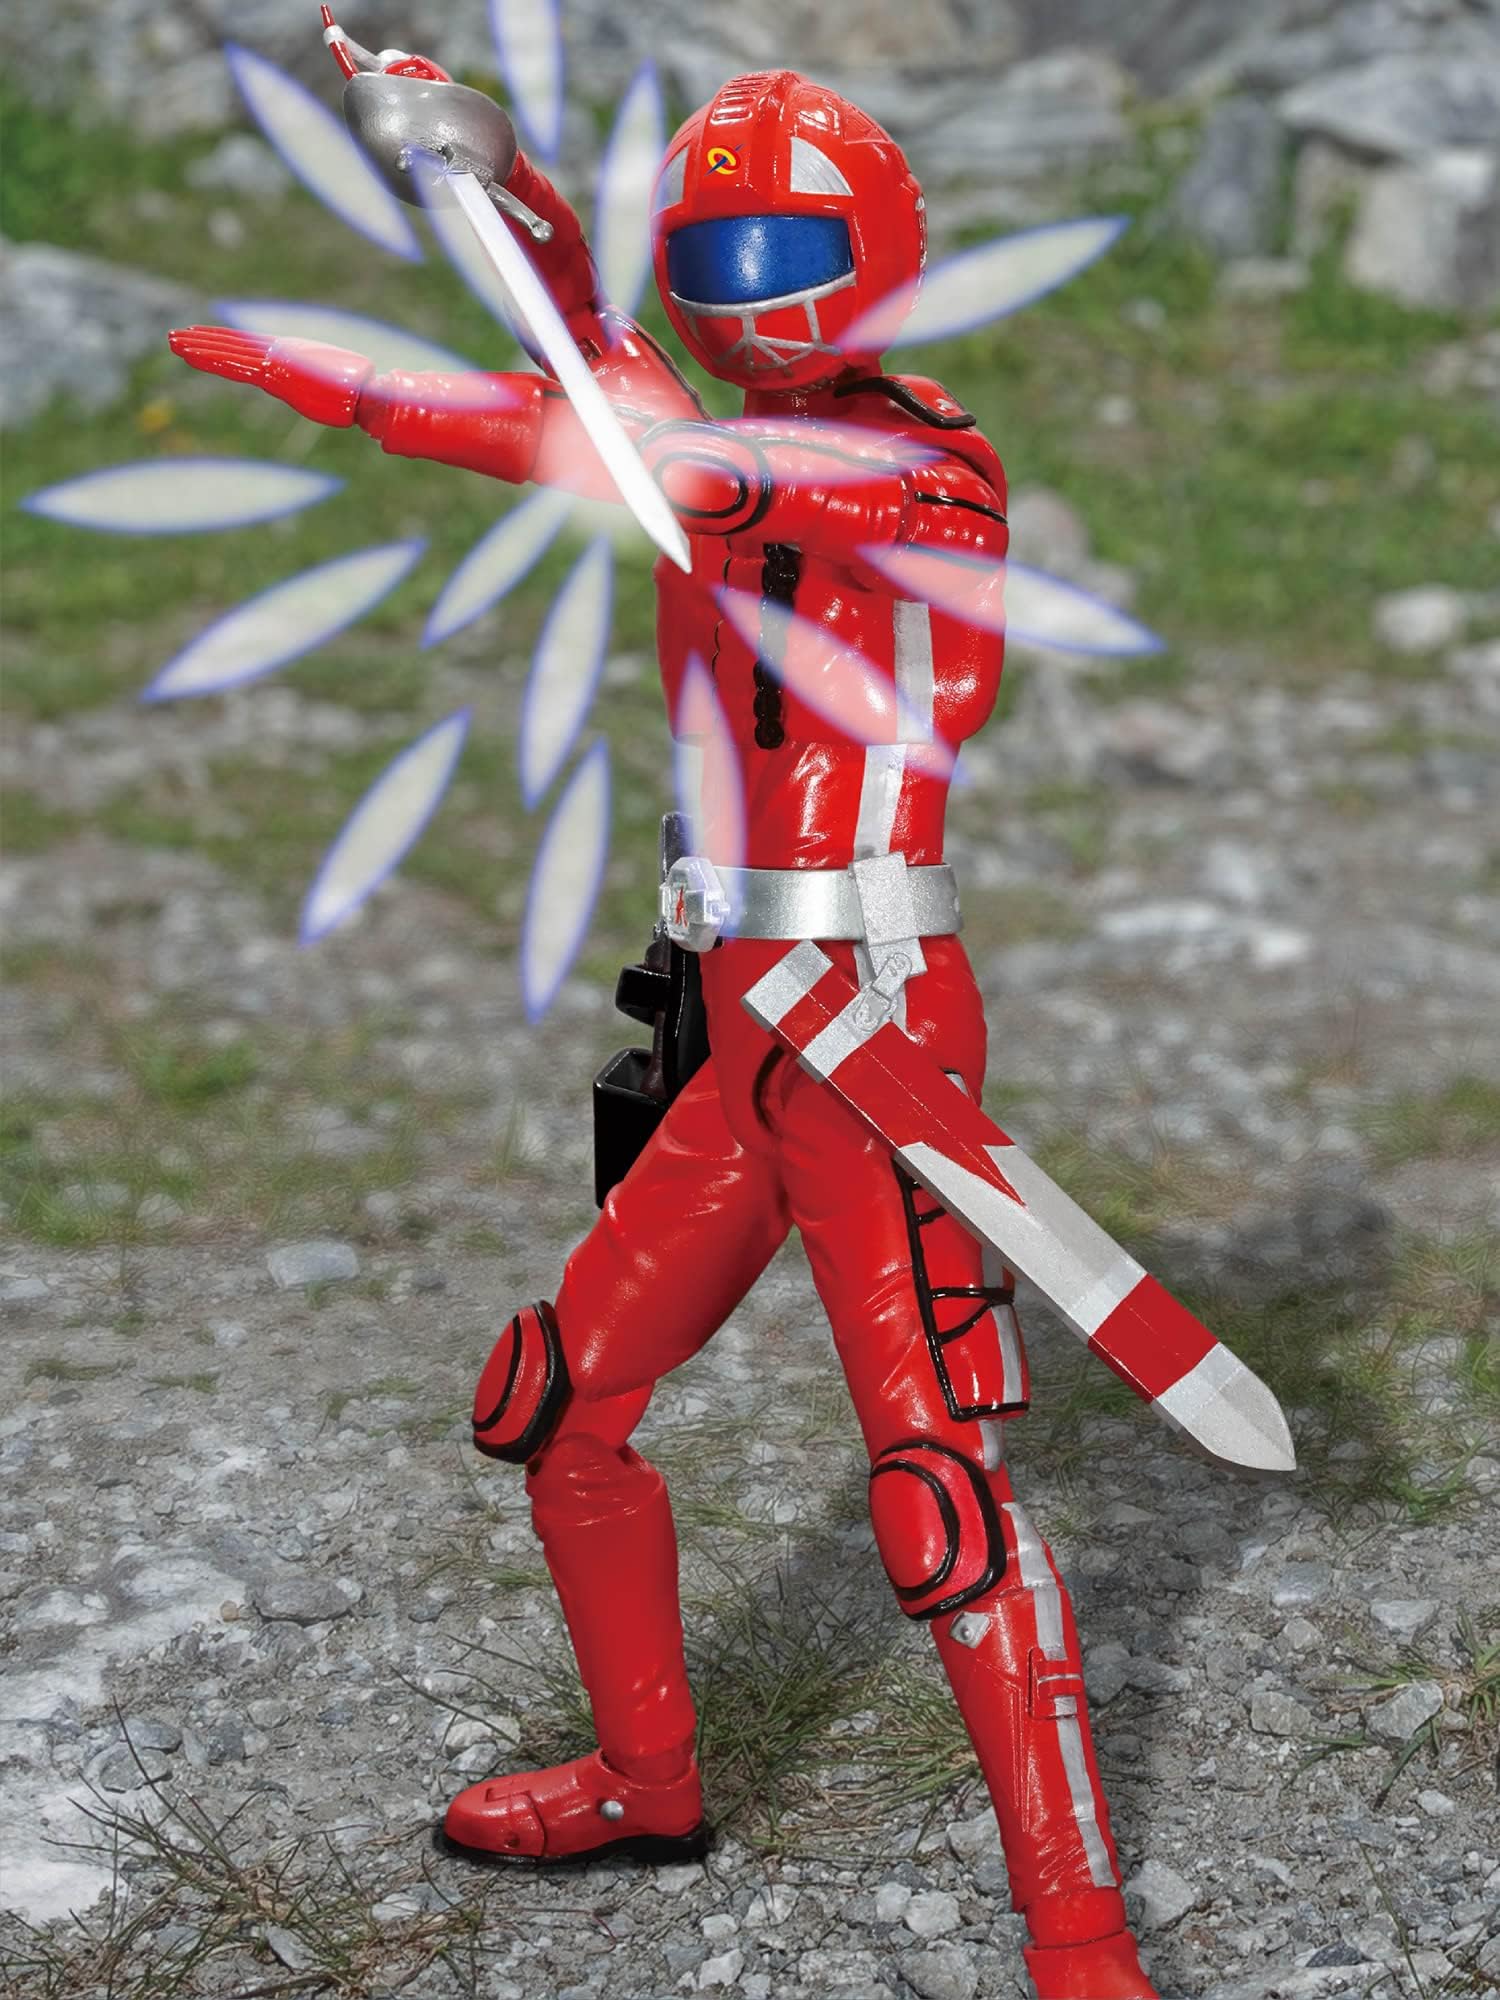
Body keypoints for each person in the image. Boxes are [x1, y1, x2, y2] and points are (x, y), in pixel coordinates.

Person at [171, 48, 1158, 2000]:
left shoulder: (926, 468)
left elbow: (674, 459)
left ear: (881, 258)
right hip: (742, 1018)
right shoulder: (705, 446)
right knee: (556, 1406)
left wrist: (386, 391)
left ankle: (1082, 1943)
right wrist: (491, 168)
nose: (750, 291)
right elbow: (595, 364)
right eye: (720, 254)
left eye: (790, 248)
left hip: (870, 1020)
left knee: (938, 1497)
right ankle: (648, 1780)